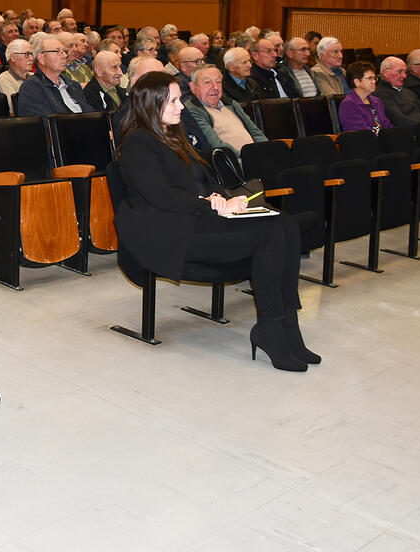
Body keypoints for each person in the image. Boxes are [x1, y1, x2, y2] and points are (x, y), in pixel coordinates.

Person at [113, 72, 315, 372]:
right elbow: (161, 198)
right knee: (270, 235)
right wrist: (211, 206)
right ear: (151, 105)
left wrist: (222, 198)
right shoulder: (138, 143)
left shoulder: (172, 135)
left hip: (196, 219)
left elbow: (201, 183)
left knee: (282, 223)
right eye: (173, 100)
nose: (181, 106)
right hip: (171, 233)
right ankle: (270, 328)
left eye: (179, 99)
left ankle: (287, 323)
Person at [184, 65, 267, 159]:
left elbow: (255, 132)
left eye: (218, 82)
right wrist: (248, 157)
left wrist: (265, 149)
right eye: (207, 82)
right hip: (234, 162)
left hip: (256, 157)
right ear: (192, 87)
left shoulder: (231, 104)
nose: (215, 87)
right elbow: (215, 144)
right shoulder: (193, 109)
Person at [16, 35, 94, 116]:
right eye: (57, 52)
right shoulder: (32, 87)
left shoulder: (73, 85)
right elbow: (45, 123)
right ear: (41, 58)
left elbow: (91, 114)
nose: (65, 56)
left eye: (64, 51)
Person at [374, 56, 420, 127]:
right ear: (386, 73)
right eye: (400, 72)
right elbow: (398, 119)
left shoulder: (407, 91)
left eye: (405, 72)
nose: (404, 76)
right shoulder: (380, 94)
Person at [338, 61, 393, 134]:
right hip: (365, 142)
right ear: (357, 82)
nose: (374, 82)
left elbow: (386, 124)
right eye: (370, 78)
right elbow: (361, 133)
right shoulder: (348, 104)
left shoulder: (377, 101)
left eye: (374, 78)